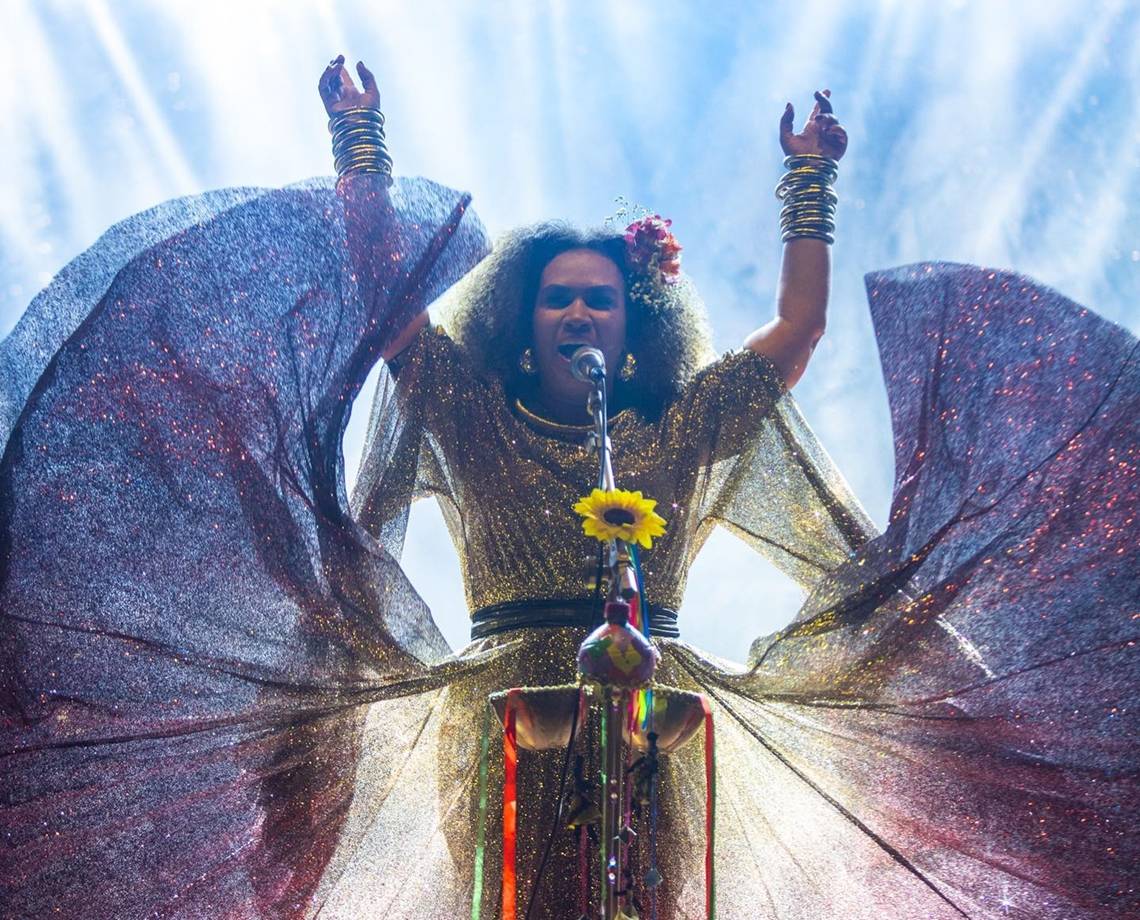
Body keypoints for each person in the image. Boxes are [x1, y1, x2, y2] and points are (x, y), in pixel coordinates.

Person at [0, 55, 1135, 920]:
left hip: (658, 712)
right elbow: (388, 309)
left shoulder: (679, 430)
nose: (582, 313)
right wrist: (362, 145)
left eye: (603, 299)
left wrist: (810, 180)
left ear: (637, 329)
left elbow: (797, 330)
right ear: (518, 318)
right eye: (559, 297)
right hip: (508, 712)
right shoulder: (474, 416)